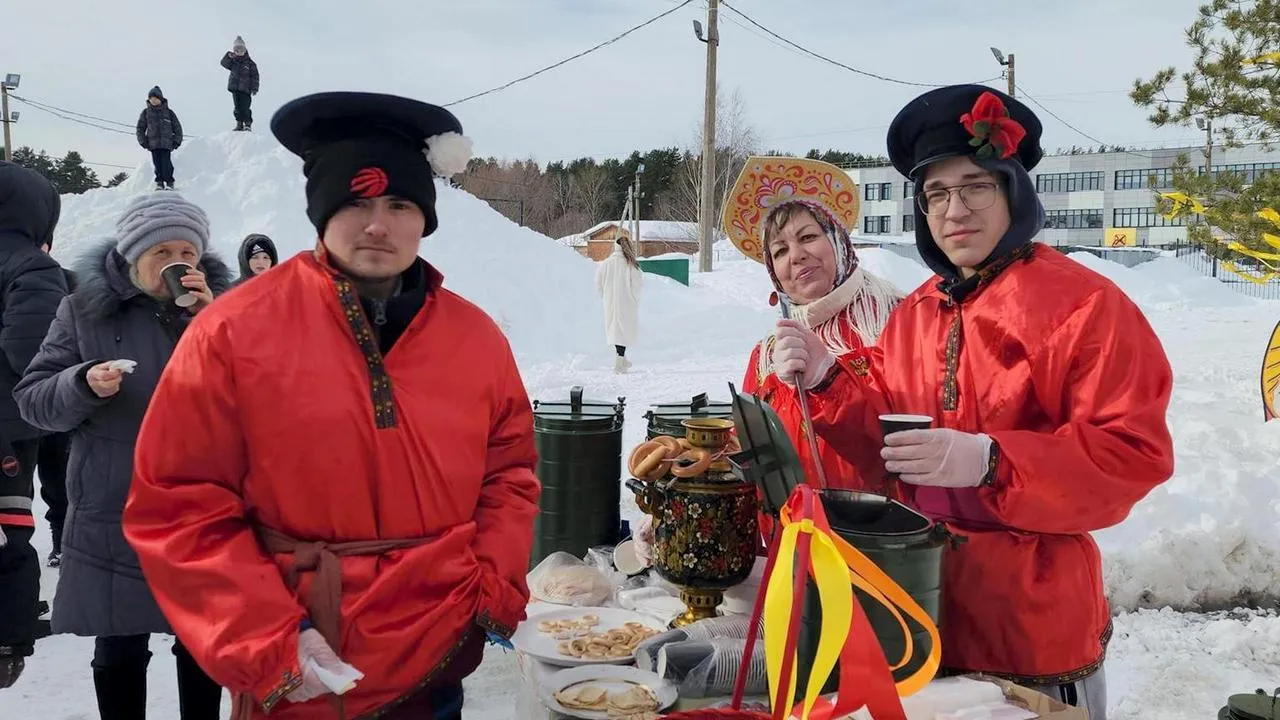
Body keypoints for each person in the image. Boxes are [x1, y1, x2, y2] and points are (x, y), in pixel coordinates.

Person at [122, 91, 541, 720]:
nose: (378, 224)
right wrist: (268, 637)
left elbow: (509, 473)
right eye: (356, 202)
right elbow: (181, 505)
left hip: (439, 655)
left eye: (400, 204)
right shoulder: (234, 332)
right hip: (304, 666)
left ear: (424, 219)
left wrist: (488, 587)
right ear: (321, 212)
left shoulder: (476, 338)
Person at [771, 85, 1175, 719]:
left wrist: (992, 460)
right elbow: (885, 436)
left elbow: (1130, 454)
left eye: (974, 186)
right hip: (919, 608)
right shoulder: (915, 313)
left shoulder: (1085, 306)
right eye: (935, 194)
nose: (953, 209)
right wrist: (827, 381)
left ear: (1012, 188)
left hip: (1031, 624)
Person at [15, 193, 232, 719]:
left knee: (201, 642)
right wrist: (82, 383)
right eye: (160, 252)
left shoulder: (228, 310)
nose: (177, 262)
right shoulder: (82, 309)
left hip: (202, 505)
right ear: (132, 257)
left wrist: (214, 321)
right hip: (117, 503)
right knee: (119, 640)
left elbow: (266, 397)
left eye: (187, 250)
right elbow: (33, 401)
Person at [723, 155, 903, 494]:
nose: (796, 256)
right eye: (779, 251)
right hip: (794, 540)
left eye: (807, 237)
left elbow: (902, 445)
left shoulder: (895, 322)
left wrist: (828, 381)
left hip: (874, 537)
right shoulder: (767, 357)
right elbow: (748, 456)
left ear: (837, 239)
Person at [0, 161, 70, 690]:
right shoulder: (32, 267)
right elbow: (35, 356)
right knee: (11, 529)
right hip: (9, 430)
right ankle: (8, 638)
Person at [35, 236, 77, 568]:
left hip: (58, 391)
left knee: (57, 473)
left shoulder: (69, 281)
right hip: (12, 396)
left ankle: (62, 536)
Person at [595, 234, 643, 373]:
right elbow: (637, 284)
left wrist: (604, 296)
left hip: (610, 303)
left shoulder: (606, 264)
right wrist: (634, 299)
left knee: (616, 332)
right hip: (627, 303)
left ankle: (622, 359)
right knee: (623, 332)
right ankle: (619, 362)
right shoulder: (630, 265)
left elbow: (598, 283)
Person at [136, 86, 184, 190]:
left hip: (167, 144)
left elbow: (177, 128)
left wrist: (176, 141)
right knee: (157, 164)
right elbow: (140, 128)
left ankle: (170, 182)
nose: (153, 101)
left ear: (160, 99)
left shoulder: (169, 113)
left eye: (155, 99)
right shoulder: (146, 113)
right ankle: (159, 182)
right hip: (153, 144)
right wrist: (143, 141)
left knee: (166, 164)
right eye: (151, 99)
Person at [222, 36, 261, 132]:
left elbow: (255, 76)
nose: (239, 51)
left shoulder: (250, 64)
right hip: (235, 88)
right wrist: (228, 56)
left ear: (245, 50)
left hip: (246, 89)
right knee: (237, 107)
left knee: (245, 107)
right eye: (236, 50)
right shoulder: (233, 62)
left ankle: (247, 123)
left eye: (241, 49)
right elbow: (224, 63)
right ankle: (239, 124)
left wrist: (254, 88)